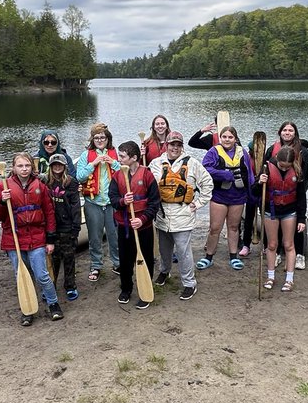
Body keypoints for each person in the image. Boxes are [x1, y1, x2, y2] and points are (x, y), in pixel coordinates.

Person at [0, 151, 62, 325]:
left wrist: (50, 239)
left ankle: (53, 303)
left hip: (37, 237)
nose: (24, 169)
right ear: (13, 168)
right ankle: (27, 307)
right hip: (13, 238)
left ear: (32, 167)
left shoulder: (40, 186)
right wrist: (1, 201)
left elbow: (49, 213)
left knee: (42, 275)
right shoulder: (3, 186)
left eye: (27, 166)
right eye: (20, 166)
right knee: (22, 276)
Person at [148, 131, 213, 301]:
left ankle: (189, 283)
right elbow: (149, 186)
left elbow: (207, 184)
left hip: (183, 214)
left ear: (182, 146)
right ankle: (164, 271)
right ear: (166, 145)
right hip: (162, 215)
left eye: (178, 145)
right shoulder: (155, 163)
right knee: (164, 249)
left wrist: (198, 203)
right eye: (172, 144)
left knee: (183, 251)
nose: (175, 148)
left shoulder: (192, 164)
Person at [109, 140, 161, 309]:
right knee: (125, 259)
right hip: (125, 226)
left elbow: (154, 203)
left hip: (143, 227)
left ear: (134, 157)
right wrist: (123, 201)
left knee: (146, 258)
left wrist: (143, 219)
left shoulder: (147, 175)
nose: (119, 159)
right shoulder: (117, 176)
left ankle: (145, 289)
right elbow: (113, 199)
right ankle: (126, 289)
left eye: (123, 156)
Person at [197, 125, 254, 271]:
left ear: (235, 139)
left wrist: (252, 193)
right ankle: (209, 257)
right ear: (220, 138)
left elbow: (249, 173)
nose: (227, 140)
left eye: (230, 137)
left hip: (238, 196)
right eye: (224, 137)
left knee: (234, 227)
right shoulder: (213, 152)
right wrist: (224, 175)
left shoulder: (243, 152)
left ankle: (233, 256)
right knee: (215, 228)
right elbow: (206, 168)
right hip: (219, 195)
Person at [256, 146, 307, 292]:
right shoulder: (266, 168)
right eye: (282, 166)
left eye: (287, 167)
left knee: (288, 244)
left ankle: (289, 279)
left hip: (289, 211)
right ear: (277, 159)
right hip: (271, 211)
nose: (284, 169)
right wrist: (260, 182)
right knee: (272, 245)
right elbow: (254, 191)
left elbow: (301, 197)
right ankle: (270, 276)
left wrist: (302, 219)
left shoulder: (297, 171)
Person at [263, 121, 308, 270]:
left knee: (298, 226)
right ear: (280, 132)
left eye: (290, 130)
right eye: (284, 130)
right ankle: (276, 253)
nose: (287, 133)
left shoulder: (303, 151)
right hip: (275, 197)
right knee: (276, 227)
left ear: (295, 133)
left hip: (294, 193)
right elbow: (265, 170)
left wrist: (299, 194)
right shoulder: (272, 149)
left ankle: (299, 255)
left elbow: (306, 174)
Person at [76, 123, 121, 281]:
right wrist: (93, 164)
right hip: (93, 202)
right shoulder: (85, 156)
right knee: (94, 237)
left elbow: (125, 173)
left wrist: (112, 162)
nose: (100, 140)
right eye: (97, 137)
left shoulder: (115, 153)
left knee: (114, 235)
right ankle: (96, 265)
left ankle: (117, 263)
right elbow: (79, 176)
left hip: (112, 203)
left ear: (108, 138)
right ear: (92, 139)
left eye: (103, 137)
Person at [44, 152, 82, 302]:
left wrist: (76, 228)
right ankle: (50, 286)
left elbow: (75, 206)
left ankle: (70, 285)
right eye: (54, 164)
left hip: (67, 227)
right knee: (53, 259)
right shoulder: (45, 181)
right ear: (51, 167)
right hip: (51, 227)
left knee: (69, 258)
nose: (57, 167)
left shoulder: (71, 182)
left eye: (60, 164)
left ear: (65, 166)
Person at [238, 131, 266, 257]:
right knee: (248, 220)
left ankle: (266, 245)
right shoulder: (246, 160)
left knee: (265, 219)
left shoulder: (266, 159)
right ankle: (246, 245)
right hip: (250, 194)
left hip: (262, 193)